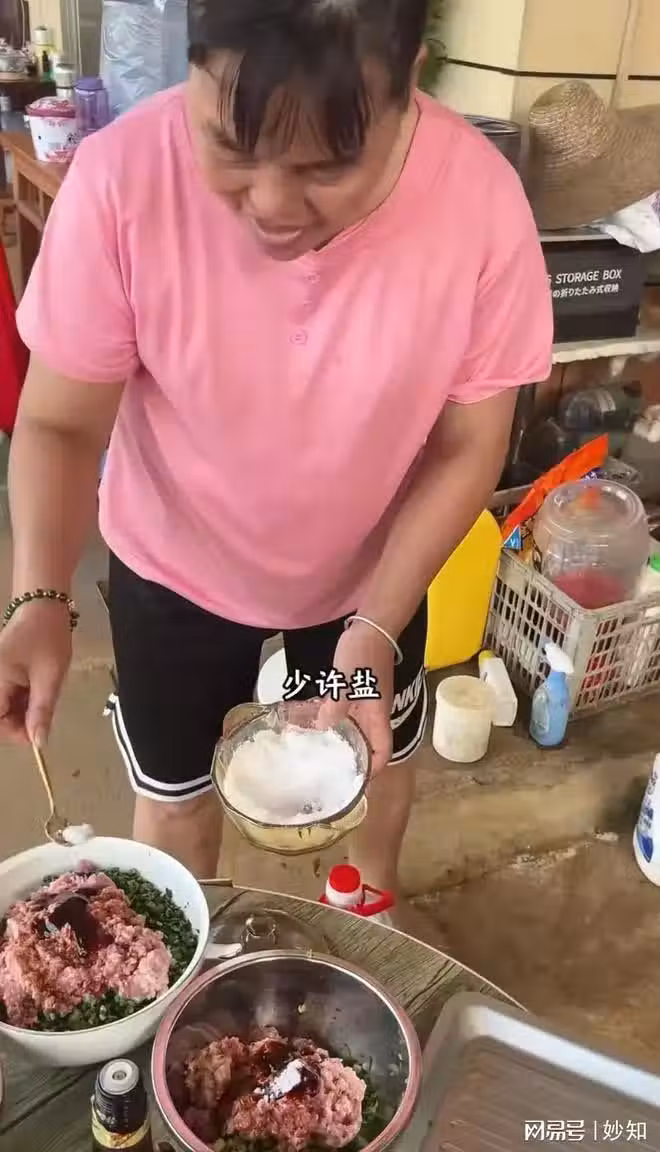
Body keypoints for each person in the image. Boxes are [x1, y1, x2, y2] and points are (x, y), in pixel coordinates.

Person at [0, 0, 552, 895]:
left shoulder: (479, 204)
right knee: (176, 804)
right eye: (228, 144)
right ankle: (192, 965)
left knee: (373, 774)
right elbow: (61, 422)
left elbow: (469, 441)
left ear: (409, 82)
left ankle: (368, 920)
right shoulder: (122, 180)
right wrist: (39, 596)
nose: (270, 205)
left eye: (327, 164)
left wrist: (377, 626)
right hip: (174, 567)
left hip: (372, 575)